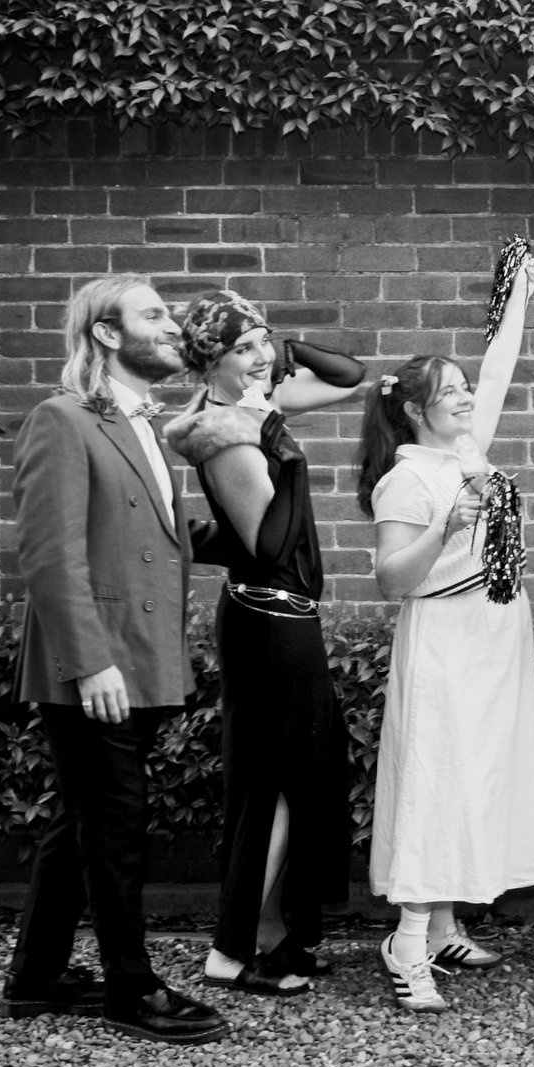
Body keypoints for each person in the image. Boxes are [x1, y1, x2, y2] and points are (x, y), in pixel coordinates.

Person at [0, 274, 231, 1044]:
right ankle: (132, 991)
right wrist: (90, 662)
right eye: (153, 315)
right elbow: (46, 553)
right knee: (116, 828)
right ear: (105, 333)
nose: (172, 327)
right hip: (100, 668)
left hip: (141, 658)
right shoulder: (63, 420)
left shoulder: (138, 424)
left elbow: (154, 540)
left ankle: (36, 976)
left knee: (83, 819)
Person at [357, 254, 534, 1014]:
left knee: (477, 774)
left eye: (465, 390)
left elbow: (499, 367)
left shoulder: (466, 452)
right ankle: (405, 940)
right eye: (452, 394)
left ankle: (441, 923)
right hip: (443, 637)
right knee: (437, 778)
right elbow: (390, 580)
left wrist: (519, 297)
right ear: (414, 411)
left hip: (494, 635)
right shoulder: (406, 480)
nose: (468, 399)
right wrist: (443, 529)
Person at [162, 291, 366, 999]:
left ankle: (279, 934)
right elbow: (268, 541)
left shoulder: (253, 407)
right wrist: (267, 420)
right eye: (242, 347)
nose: (259, 356)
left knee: (302, 782)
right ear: (210, 360)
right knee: (272, 786)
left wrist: (282, 349)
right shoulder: (225, 430)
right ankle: (233, 947)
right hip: (269, 621)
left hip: (286, 615)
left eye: (260, 343)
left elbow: (351, 374)